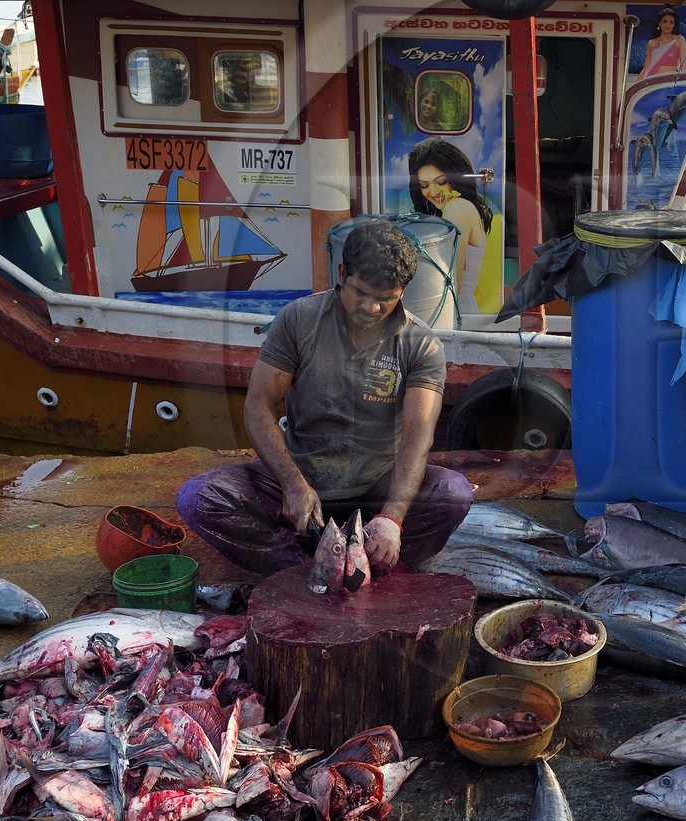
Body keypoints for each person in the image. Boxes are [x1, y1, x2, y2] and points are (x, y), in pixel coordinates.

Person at [176, 220, 474, 577]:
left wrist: (392, 517)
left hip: (377, 488)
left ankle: (375, 566)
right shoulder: (298, 319)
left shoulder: (421, 345)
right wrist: (292, 483)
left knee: (453, 494)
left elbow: (417, 434)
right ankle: (300, 568)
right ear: (342, 272)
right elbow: (258, 404)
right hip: (302, 481)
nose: (371, 307)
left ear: (404, 289)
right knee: (199, 497)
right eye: (360, 292)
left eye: (385, 299)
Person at [408, 137, 500, 316]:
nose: (433, 192)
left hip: (452, 312)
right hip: (458, 308)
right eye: (424, 185)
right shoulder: (461, 207)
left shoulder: (457, 208)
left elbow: (451, 282)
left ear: (456, 178)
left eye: (441, 182)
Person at [640, 6, 686, 78]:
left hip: (670, 82)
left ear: (674, 25)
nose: (668, 25)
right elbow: (647, 68)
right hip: (653, 81)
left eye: (671, 22)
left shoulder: (679, 40)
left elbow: (683, 65)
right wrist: (636, 84)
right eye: (664, 21)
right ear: (659, 23)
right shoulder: (651, 43)